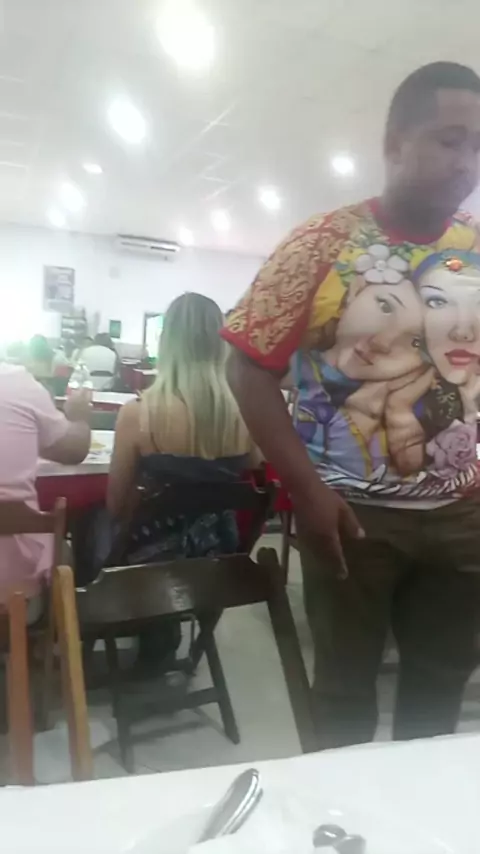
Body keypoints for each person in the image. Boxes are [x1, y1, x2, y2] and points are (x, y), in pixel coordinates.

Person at [223, 61, 480, 747]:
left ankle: (417, 811)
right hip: (350, 514)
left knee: (440, 690)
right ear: (395, 143)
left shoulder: (476, 246)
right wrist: (305, 491)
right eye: (449, 140)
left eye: (478, 146)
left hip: (461, 515)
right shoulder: (321, 245)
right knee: (342, 694)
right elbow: (245, 368)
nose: (466, 162)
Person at [107, 292, 258, 668]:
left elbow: (115, 504)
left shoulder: (138, 415)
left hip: (149, 562)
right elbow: (255, 468)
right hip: (217, 559)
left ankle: (98, 618)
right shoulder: (246, 414)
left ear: (167, 343)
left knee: (88, 529)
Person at [0, 361, 91, 618]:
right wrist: (80, 418)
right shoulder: (18, 383)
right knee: (63, 552)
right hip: (14, 598)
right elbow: (74, 450)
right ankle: (51, 634)